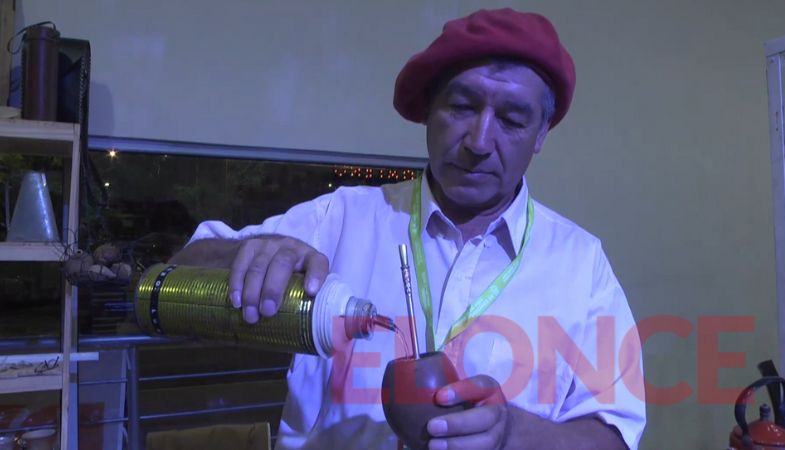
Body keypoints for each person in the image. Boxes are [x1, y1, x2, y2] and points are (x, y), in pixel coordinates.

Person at [170, 8, 646, 450]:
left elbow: (614, 437)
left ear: (541, 133)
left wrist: (513, 432)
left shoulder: (580, 263)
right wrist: (248, 255)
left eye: (511, 119)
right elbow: (173, 274)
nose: (480, 141)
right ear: (428, 111)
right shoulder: (342, 218)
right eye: (462, 106)